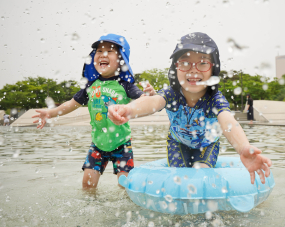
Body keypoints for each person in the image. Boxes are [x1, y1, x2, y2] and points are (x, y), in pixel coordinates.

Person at [108, 32, 271, 185]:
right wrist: (127, 110)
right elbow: (153, 102)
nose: (193, 69)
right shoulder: (171, 94)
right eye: (185, 63)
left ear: (213, 69)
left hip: (207, 145)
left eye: (202, 63)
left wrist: (243, 148)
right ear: (175, 68)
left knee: (203, 177)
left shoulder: (214, 99)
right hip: (177, 143)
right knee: (178, 179)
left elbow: (227, 121)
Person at [32, 34, 155, 189]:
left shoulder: (125, 85)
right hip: (97, 144)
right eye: (99, 51)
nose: (103, 54)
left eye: (110, 51)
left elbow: (144, 100)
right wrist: (50, 113)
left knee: (125, 185)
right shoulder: (90, 86)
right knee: (87, 184)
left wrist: (151, 95)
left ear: (121, 60)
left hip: (122, 144)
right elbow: (72, 104)